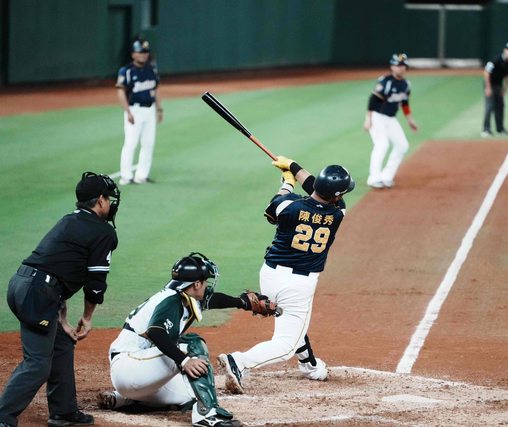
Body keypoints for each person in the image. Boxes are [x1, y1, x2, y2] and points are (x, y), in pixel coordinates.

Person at [217, 157, 355, 395]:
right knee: (286, 344)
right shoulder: (338, 213)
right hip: (299, 284)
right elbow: (316, 188)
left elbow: (274, 208)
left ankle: (310, 366)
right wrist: (294, 167)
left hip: (270, 275)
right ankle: (238, 361)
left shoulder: (287, 205)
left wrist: (287, 181)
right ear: (337, 196)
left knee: (293, 322)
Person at [98, 252, 279, 427]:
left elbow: (212, 300)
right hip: (129, 367)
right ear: (196, 284)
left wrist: (242, 302)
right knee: (192, 343)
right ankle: (206, 415)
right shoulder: (171, 301)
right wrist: (184, 360)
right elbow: (156, 332)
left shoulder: (181, 295)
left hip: (136, 375)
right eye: (205, 281)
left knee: (190, 394)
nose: (207, 285)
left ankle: (124, 400)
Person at [0, 172, 121, 427]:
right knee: (38, 364)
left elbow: (56, 270)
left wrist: (62, 320)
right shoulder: (103, 232)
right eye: (108, 199)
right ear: (100, 200)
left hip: (24, 285)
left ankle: (63, 412)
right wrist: (87, 318)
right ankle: (3, 417)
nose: (111, 204)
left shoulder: (69, 220)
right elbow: (95, 284)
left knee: (62, 343)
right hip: (38, 293)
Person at [363, 53, 418, 189]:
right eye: (397, 65)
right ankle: (373, 178)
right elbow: (373, 100)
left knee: (402, 145)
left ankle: (386, 176)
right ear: (392, 66)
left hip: (391, 118)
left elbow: (404, 103)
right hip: (377, 116)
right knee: (382, 144)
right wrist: (368, 118)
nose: (400, 68)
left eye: (403, 65)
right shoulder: (385, 81)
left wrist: (410, 119)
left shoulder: (406, 84)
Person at [116, 37, 163, 185]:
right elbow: (120, 92)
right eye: (140, 52)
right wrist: (127, 111)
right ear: (133, 54)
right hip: (134, 110)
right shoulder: (126, 71)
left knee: (148, 144)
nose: (143, 55)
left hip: (149, 110)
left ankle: (142, 175)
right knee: (130, 143)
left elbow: (156, 89)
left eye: (145, 52)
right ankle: (126, 176)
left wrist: (159, 109)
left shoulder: (151, 69)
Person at [481, 42, 508, 138]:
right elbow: (486, 73)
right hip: (490, 83)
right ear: (504, 51)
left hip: (498, 85)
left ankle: (500, 129)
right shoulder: (496, 60)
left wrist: (505, 89)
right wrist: (488, 88)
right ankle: (486, 129)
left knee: (500, 106)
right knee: (489, 106)